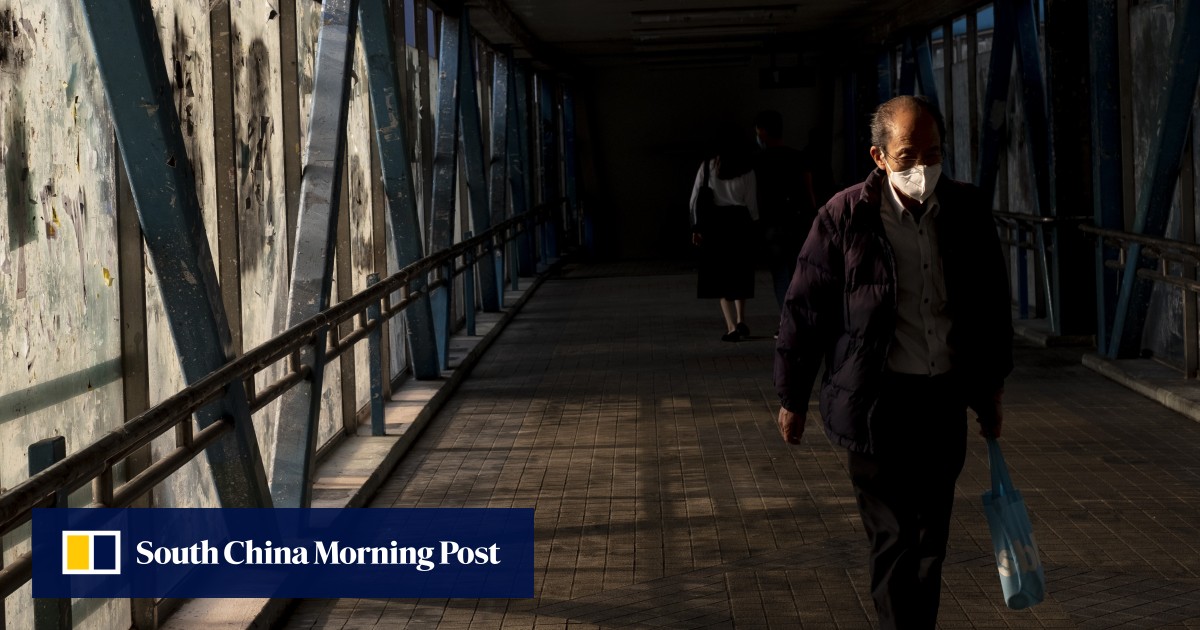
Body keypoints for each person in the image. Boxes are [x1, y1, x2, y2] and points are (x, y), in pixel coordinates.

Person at [773, 95, 1012, 629]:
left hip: (942, 399)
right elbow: (804, 310)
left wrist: (990, 393)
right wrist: (792, 398)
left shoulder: (967, 211)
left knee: (931, 541)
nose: (921, 169)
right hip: (877, 403)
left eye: (932, 153)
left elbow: (991, 310)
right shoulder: (844, 217)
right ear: (879, 157)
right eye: (907, 156)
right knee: (894, 539)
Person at [690, 128, 759, 342]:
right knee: (740, 272)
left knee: (720, 276)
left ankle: (730, 327)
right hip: (740, 223)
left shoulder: (708, 167)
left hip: (715, 225)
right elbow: (752, 204)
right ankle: (741, 319)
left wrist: (696, 227)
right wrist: (755, 226)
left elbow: (694, 200)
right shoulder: (747, 170)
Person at [753, 110, 817, 314]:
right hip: (798, 222)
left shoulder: (759, 161)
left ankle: (787, 319)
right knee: (800, 272)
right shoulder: (798, 157)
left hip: (772, 224)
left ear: (762, 132)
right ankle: (800, 316)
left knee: (780, 273)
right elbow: (809, 192)